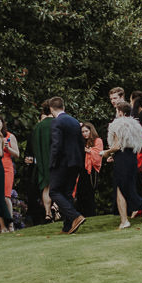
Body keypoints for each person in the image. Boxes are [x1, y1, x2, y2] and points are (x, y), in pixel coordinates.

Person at [105, 102, 142, 227]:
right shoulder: (136, 125)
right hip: (132, 157)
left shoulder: (117, 124)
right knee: (124, 187)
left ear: (120, 112)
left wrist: (106, 153)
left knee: (122, 188)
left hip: (121, 158)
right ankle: (124, 220)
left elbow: (117, 146)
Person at [46, 97, 86, 235]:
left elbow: (56, 145)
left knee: (54, 192)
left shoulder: (56, 121)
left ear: (51, 109)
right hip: (75, 162)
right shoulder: (75, 121)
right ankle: (67, 227)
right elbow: (81, 143)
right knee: (67, 193)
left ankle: (75, 216)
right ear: (63, 106)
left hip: (62, 162)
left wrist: (52, 163)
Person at [75, 121, 104, 216]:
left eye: (86, 131)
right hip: (82, 169)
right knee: (80, 192)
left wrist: (88, 150)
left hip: (91, 170)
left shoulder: (97, 140)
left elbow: (99, 154)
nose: (85, 134)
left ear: (91, 130)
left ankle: (90, 213)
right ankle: (81, 214)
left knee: (89, 192)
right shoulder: (83, 141)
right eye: (82, 132)